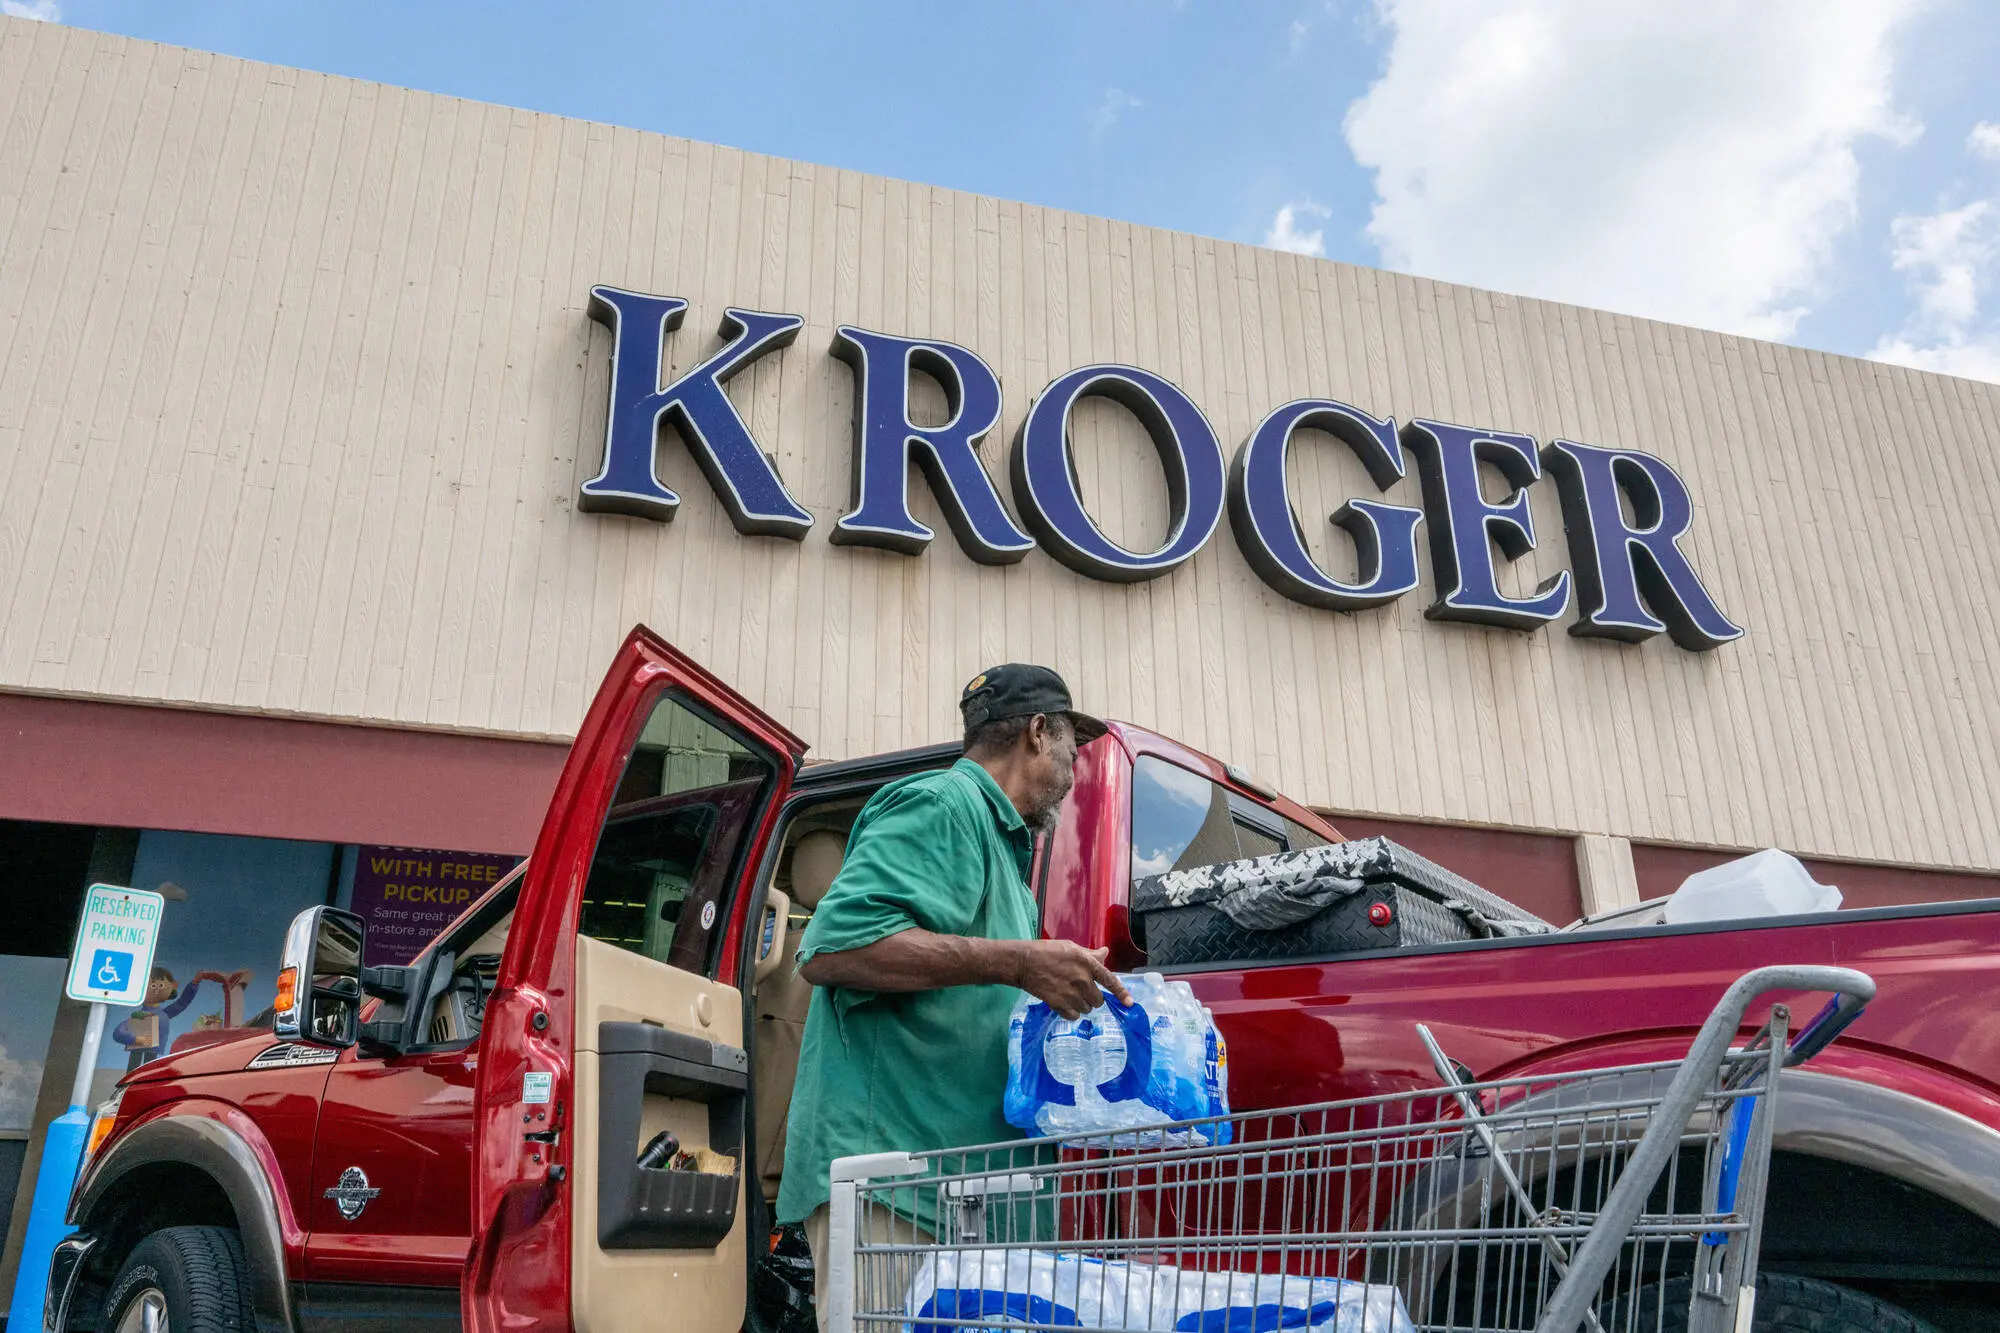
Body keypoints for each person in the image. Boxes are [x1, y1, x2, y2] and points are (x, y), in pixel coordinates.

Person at [775, 664, 1134, 1330]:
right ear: (1035, 732)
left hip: (961, 1195)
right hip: (896, 1186)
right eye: (1070, 747)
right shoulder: (944, 805)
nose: (1074, 767)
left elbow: (982, 994)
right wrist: (1020, 962)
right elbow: (832, 947)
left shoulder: (1004, 846)